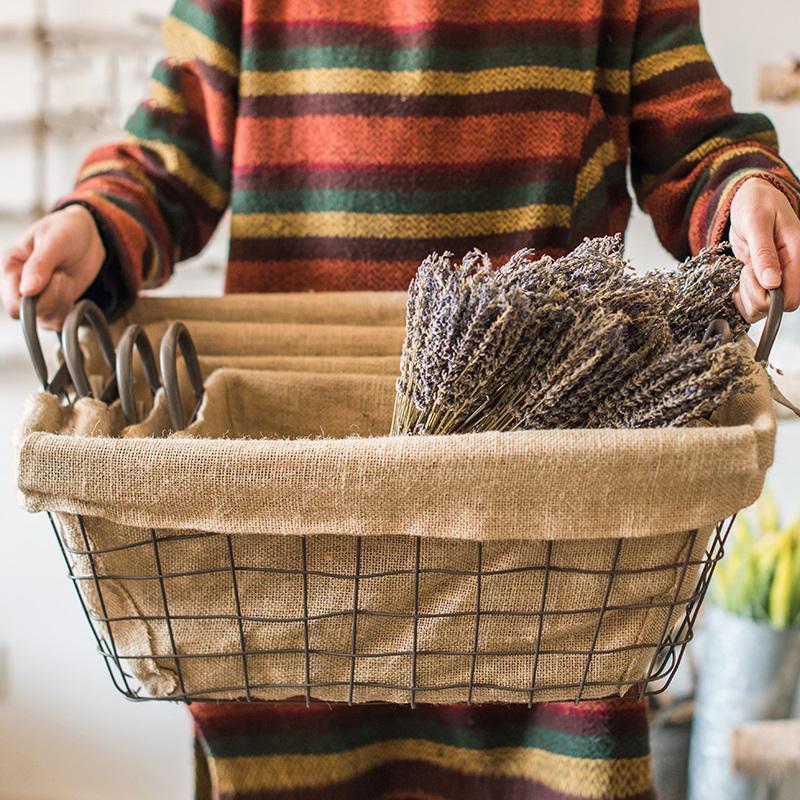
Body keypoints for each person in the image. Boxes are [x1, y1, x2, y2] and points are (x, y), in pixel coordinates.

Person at [3, 1, 799, 797]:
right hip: (293, 565)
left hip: (547, 563)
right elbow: (168, 156)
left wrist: (746, 196)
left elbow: (694, 144)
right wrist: (97, 224)